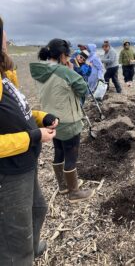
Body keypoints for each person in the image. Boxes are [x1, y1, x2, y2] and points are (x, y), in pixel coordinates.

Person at [0, 23, 58, 265]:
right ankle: (21, 256)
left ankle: (31, 248)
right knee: (15, 236)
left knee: (38, 209)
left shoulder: (4, 75)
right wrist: (34, 136)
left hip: (25, 163)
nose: (6, 39)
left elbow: (19, 109)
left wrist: (40, 117)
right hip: (8, 173)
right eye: (3, 34)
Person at [30, 39, 95, 203]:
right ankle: (74, 192)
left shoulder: (40, 70)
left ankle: (63, 186)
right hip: (68, 120)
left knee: (58, 151)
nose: (68, 59)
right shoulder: (64, 71)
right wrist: (72, 70)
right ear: (61, 55)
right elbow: (83, 89)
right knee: (71, 155)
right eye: (67, 56)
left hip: (50, 119)